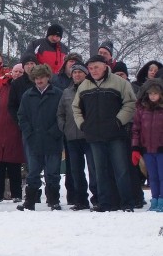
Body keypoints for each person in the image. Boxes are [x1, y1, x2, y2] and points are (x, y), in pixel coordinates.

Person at [72, 55, 137, 211]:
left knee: (121, 170)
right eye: (91, 68)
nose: (93, 70)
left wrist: (119, 121)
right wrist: (83, 125)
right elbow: (76, 108)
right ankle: (105, 203)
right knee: (99, 171)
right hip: (94, 135)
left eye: (96, 67)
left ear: (105, 66)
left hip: (116, 134)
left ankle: (127, 203)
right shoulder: (84, 86)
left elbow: (130, 104)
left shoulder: (120, 83)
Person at [17, 65, 64, 210]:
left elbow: (62, 116)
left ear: (48, 77)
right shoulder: (27, 95)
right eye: (36, 78)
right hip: (33, 140)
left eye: (41, 77)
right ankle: (29, 201)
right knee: (33, 172)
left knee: (53, 173)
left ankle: (53, 200)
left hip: (53, 139)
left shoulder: (58, 94)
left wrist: (55, 132)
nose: (39, 81)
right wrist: (28, 133)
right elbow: (21, 116)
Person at [57, 64, 98, 210]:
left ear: (85, 74)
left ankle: (97, 198)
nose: (77, 75)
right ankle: (80, 199)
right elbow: (60, 113)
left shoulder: (92, 89)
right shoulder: (66, 92)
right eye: (74, 72)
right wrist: (64, 127)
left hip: (89, 136)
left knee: (94, 168)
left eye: (80, 72)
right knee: (75, 170)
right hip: (71, 137)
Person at [0, 63, 25, 203]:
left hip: (14, 128)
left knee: (14, 164)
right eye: (15, 71)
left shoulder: (23, 87)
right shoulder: (3, 87)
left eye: (20, 72)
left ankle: (16, 194)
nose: (17, 74)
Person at [131, 79, 163, 211]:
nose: (153, 96)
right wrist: (135, 147)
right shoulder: (141, 109)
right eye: (151, 94)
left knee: (162, 176)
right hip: (147, 149)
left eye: (155, 93)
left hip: (161, 149)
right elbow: (136, 129)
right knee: (152, 177)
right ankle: (154, 198)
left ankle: (161, 199)